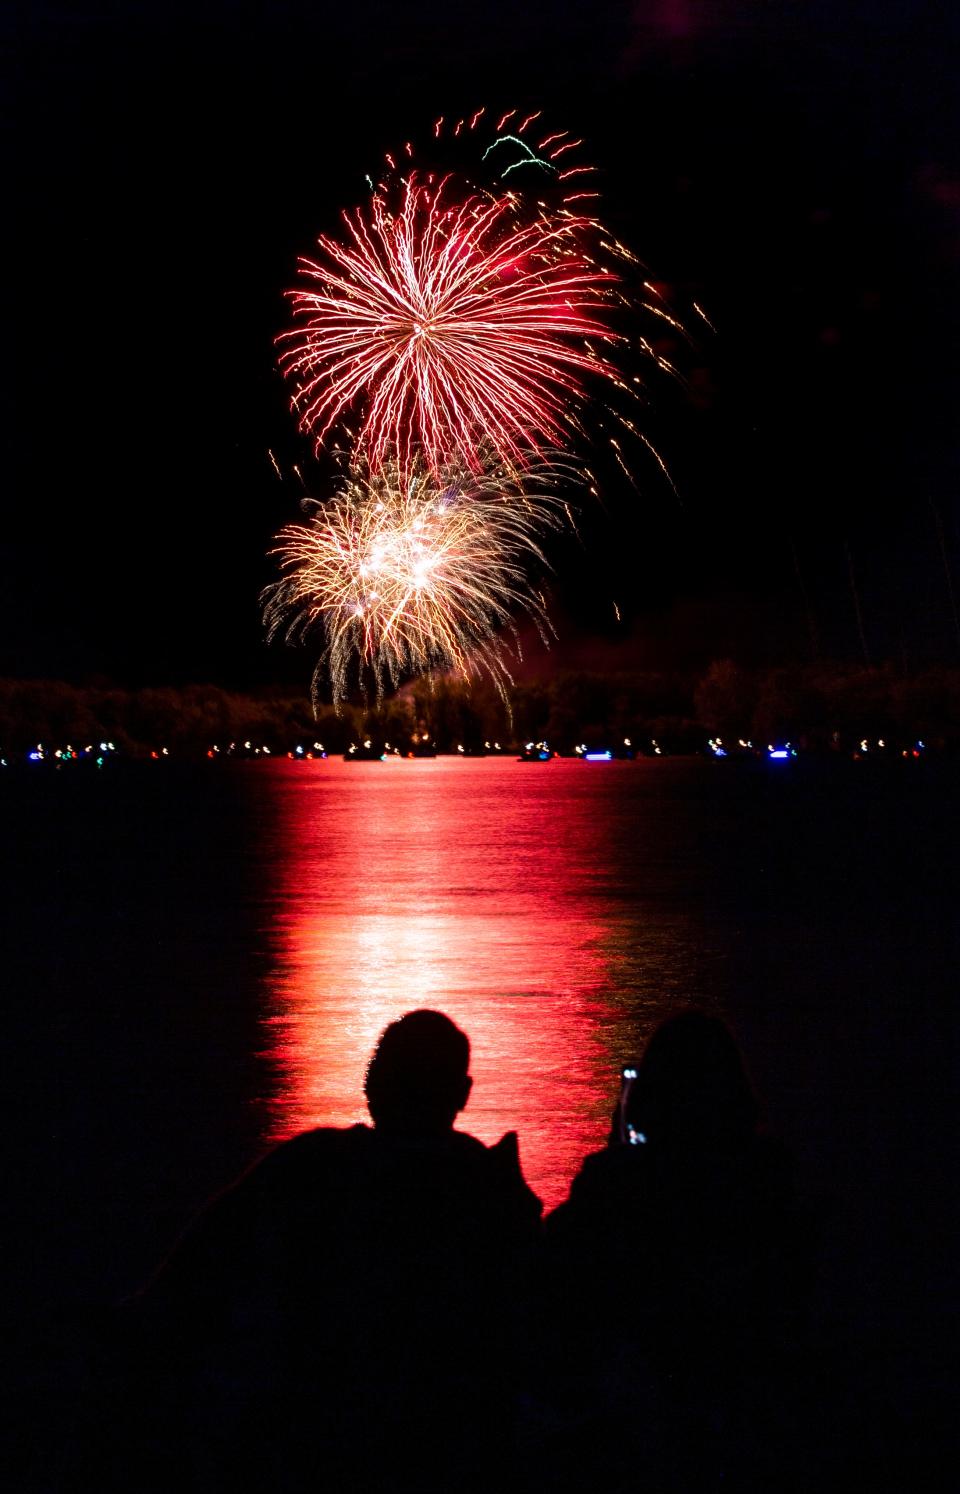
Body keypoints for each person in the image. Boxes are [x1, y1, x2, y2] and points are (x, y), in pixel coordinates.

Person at [101, 1010, 541, 1494]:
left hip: (313, 1433)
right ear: (462, 1093)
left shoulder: (310, 1167)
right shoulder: (493, 1190)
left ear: (373, 1083)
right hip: (452, 1443)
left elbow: (198, 1264)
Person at [540, 1011, 814, 1492]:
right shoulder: (774, 1184)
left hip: (638, 1419)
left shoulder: (617, 1189)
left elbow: (550, 1272)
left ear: (649, 1099)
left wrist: (612, 1167)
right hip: (758, 1415)